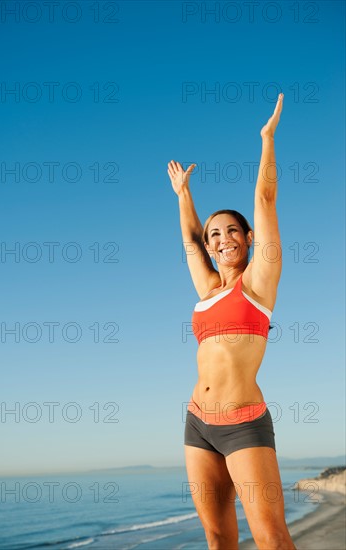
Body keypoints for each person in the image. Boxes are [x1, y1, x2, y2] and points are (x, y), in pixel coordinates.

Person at [167, 94, 297, 550]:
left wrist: (267, 140)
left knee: (271, 536)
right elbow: (189, 238)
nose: (222, 239)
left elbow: (264, 197)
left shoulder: (258, 282)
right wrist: (184, 196)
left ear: (249, 240)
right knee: (218, 536)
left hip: (244, 422)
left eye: (232, 231)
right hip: (196, 421)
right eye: (215, 234)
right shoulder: (208, 292)